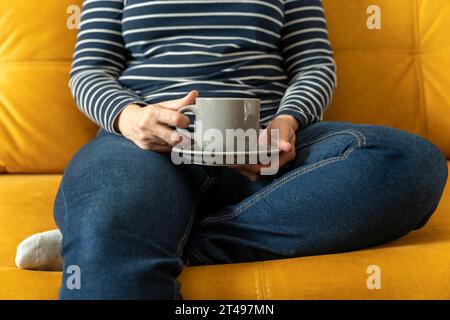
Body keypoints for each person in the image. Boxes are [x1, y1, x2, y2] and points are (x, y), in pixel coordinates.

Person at [54, 0, 448, 299]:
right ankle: (123, 232)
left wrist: (289, 121)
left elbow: (313, 64)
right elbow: (89, 69)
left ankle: (147, 236)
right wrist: (130, 118)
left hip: (263, 143)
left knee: (412, 162)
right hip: (146, 145)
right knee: (106, 229)